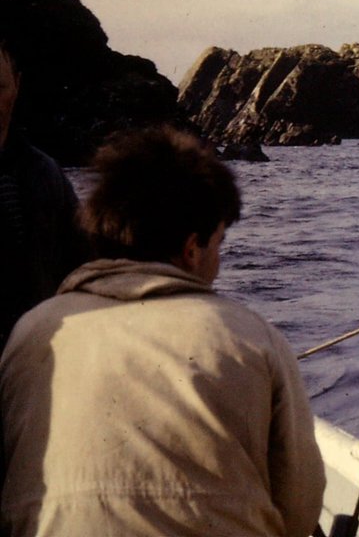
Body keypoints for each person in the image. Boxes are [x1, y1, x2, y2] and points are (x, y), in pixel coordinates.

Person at [0, 126, 324, 536]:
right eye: (219, 243)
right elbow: (299, 512)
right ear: (192, 249)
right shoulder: (253, 337)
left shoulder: (30, 332)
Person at [0, 38, 85, 350]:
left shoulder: (45, 173)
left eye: (0, 88)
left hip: (34, 356)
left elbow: (82, 267)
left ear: (17, 86)